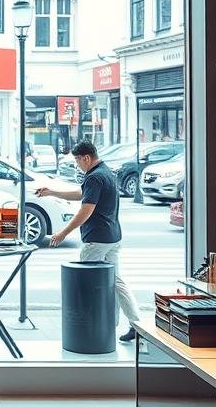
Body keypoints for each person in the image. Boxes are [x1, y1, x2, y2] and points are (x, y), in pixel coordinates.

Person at [37, 139, 143, 342]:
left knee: (89, 285)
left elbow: (86, 210)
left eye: (77, 160)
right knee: (115, 282)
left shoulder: (94, 177)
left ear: (86, 157)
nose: (77, 164)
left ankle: (98, 329)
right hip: (112, 237)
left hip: (96, 239)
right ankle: (132, 325)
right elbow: (83, 194)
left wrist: (63, 233)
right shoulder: (105, 172)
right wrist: (52, 192)